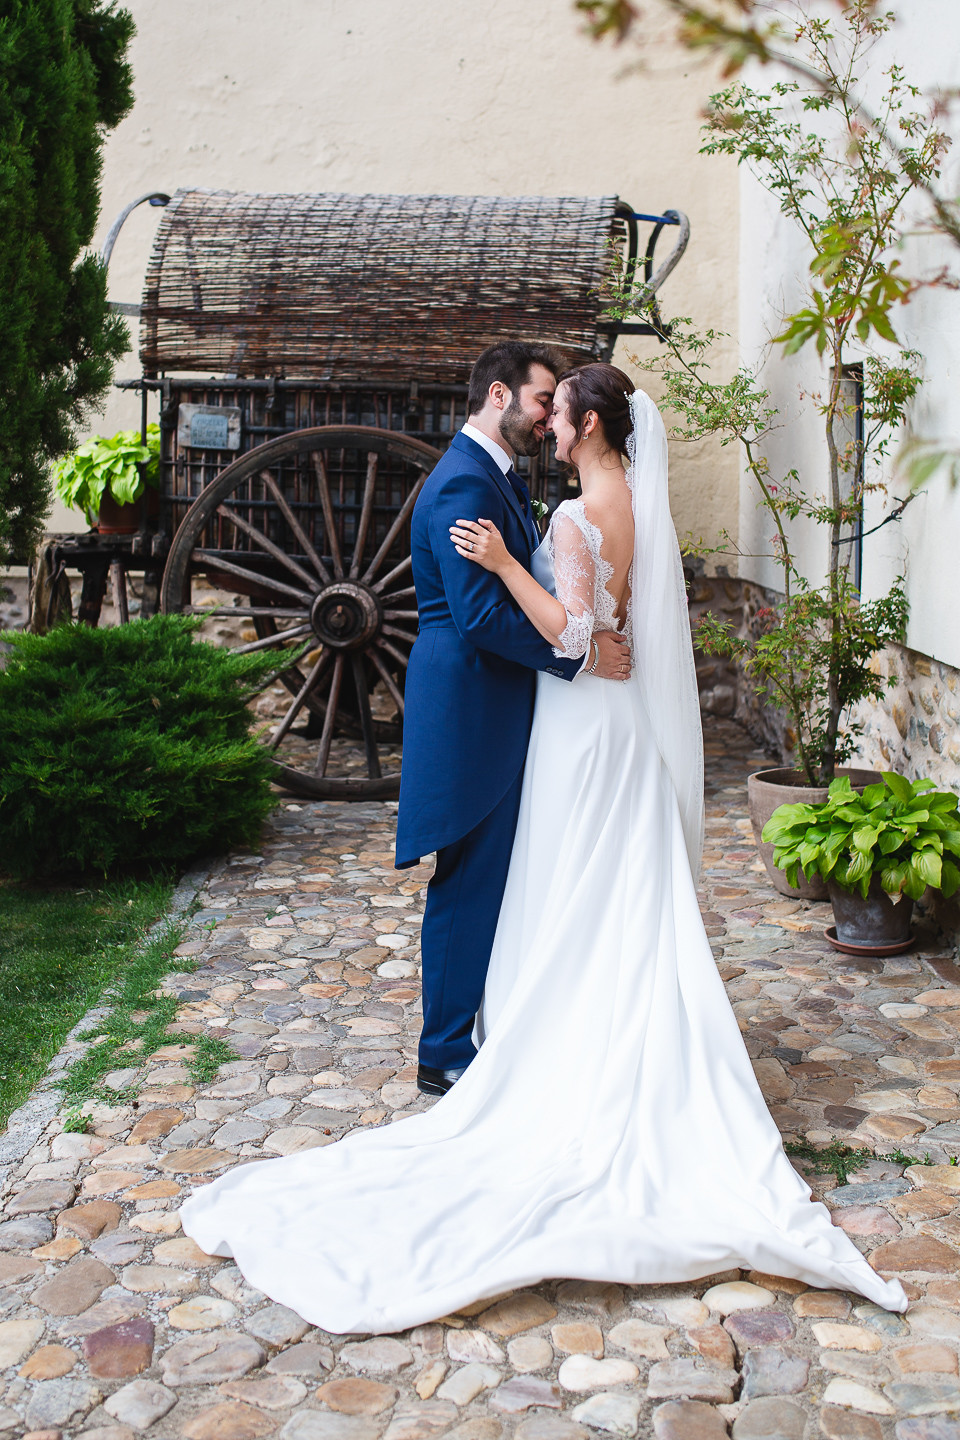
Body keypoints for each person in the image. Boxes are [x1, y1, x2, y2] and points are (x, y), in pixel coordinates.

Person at [180, 363, 907, 1333]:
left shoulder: (570, 514)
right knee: (604, 895)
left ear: (591, 423)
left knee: (563, 889)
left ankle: (534, 1049)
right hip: (608, 727)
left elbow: (569, 630)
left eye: (559, 410)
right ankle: (584, 1041)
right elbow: (596, 632)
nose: (548, 422)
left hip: (578, 724)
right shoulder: (617, 501)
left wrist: (511, 567)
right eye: (540, 404)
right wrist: (577, 628)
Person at [394, 340, 630, 1098]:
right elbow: (479, 616)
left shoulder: (487, 476)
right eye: (538, 400)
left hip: (488, 698)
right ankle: (442, 1053)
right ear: (499, 396)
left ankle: (474, 1029)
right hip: (470, 704)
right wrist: (578, 657)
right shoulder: (465, 485)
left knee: (486, 876)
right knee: (466, 878)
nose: (543, 416)